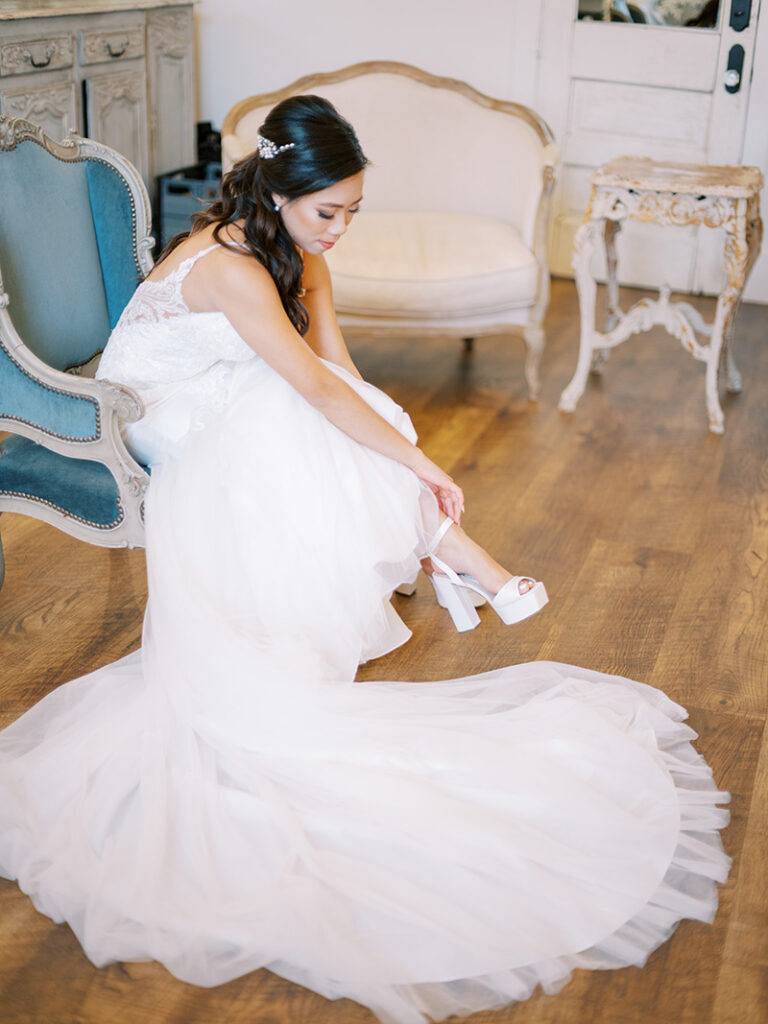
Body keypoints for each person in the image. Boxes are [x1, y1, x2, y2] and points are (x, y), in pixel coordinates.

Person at [0, 96, 729, 1024]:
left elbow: (337, 368)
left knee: (342, 414)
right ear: (278, 192)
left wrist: (393, 440)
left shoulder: (298, 248)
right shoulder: (229, 267)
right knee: (291, 412)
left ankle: (451, 553)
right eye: (327, 212)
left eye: (352, 211)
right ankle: (464, 558)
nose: (340, 229)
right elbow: (309, 386)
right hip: (147, 411)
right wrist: (426, 468)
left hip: (231, 384)